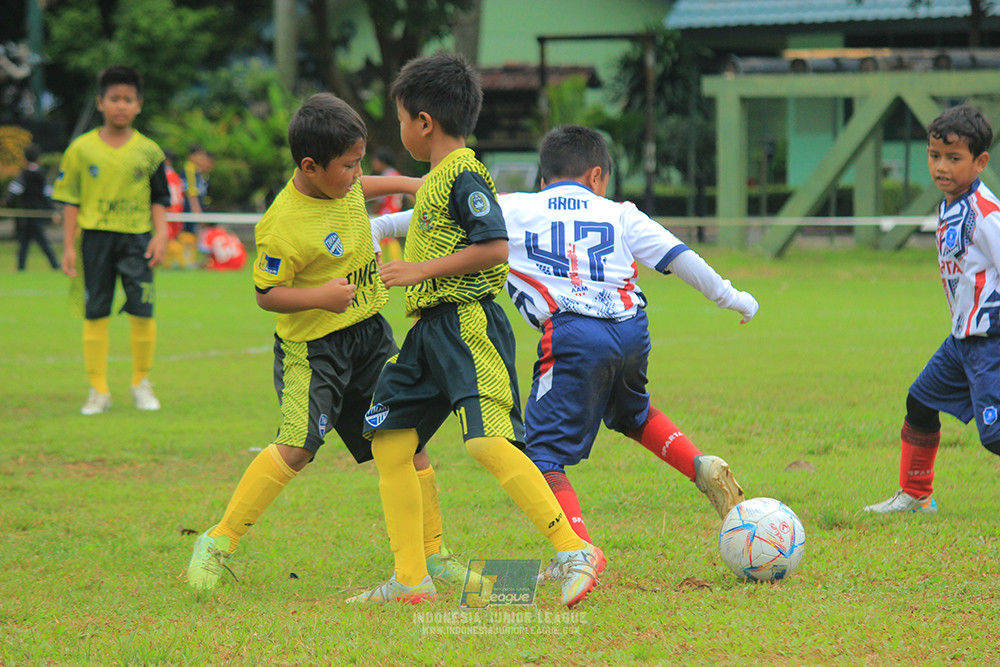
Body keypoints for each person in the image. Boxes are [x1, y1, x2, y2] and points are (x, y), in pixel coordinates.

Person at [370, 126, 758, 544]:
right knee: (633, 414)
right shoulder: (620, 212)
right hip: (631, 329)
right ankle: (700, 465)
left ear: (543, 180)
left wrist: (381, 227)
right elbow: (681, 257)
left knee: (541, 454)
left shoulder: (515, 207)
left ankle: (578, 552)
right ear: (597, 177)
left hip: (572, 334)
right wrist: (733, 298)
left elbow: (429, 217)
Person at [186, 93, 472, 592]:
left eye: (360, 161)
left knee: (408, 438)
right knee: (297, 448)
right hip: (314, 350)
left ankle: (434, 553)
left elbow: (364, 185)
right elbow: (265, 294)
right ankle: (217, 542)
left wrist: (410, 183)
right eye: (349, 165)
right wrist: (320, 296)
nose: (357, 174)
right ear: (310, 166)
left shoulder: (344, 184)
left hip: (369, 338)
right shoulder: (282, 226)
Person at [348, 52, 604, 609]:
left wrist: (417, 269)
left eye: (398, 119)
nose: (399, 129)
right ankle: (411, 577)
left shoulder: (465, 173)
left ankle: (574, 550)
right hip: (426, 334)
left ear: (423, 122)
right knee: (390, 439)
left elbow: (493, 246)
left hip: (466, 322)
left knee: (487, 440)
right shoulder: (441, 176)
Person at [864, 104, 1000, 515]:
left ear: (980, 162)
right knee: (920, 402)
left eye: (953, 158)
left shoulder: (985, 213)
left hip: (989, 338)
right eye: (934, 155)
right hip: (962, 339)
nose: (941, 166)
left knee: (994, 435)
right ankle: (917, 495)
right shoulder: (951, 203)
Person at [52, 65, 170, 415]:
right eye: (114, 99)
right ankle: (98, 390)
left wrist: (161, 235)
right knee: (96, 313)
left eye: (128, 99)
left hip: (138, 241)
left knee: (142, 312)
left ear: (139, 105)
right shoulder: (80, 149)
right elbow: (70, 200)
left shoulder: (149, 151)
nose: (121, 105)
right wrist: (69, 246)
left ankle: (141, 383)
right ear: (100, 103)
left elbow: (160, 199)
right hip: (95, 241)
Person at [6, 143, 58, 271]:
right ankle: (23, 267)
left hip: (27, 214)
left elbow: (13, 192)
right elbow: (48, 194)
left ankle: (53, 265)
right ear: (38, 159)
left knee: (34, 241)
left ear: (25, 159)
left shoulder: (23, 175)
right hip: (37, 214)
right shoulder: (43, 174)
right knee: (27, 242)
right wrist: (53, 210)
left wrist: (5, 202)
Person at [368, 147, 404, 262]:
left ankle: (380, 262)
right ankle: (396, 260)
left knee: (383, 236)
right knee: (392, 238)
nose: (373, 164)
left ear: (382, 161)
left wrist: (373, 211)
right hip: (396, 210)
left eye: (375, 161)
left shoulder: (385, 177)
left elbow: (381, 199)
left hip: (386, 211)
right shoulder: (397, 175)